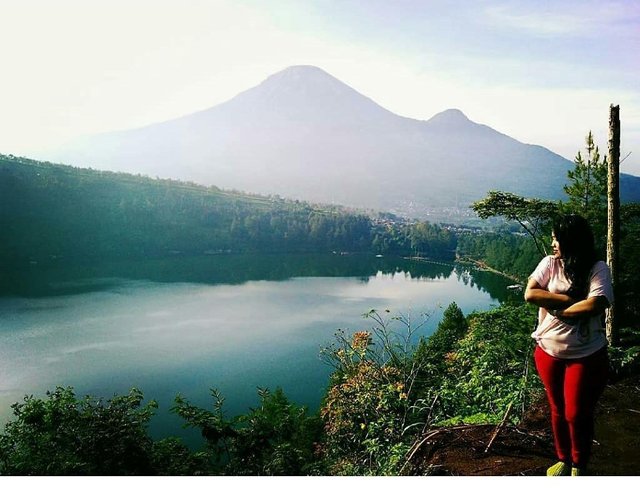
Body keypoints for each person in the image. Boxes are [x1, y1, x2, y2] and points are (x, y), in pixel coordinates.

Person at [524, 214, 612, 476]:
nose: (553, 243)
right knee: (557, 409)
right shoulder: (550, 264)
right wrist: (569, 301)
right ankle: (563, 458)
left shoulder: (597, 268)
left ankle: (579, 464)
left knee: (576, 412)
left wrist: (560, 310)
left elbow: (597, 302)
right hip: (548, 352)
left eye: (556, 238)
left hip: (585, 355)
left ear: (571, 241)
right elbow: (531, 293)